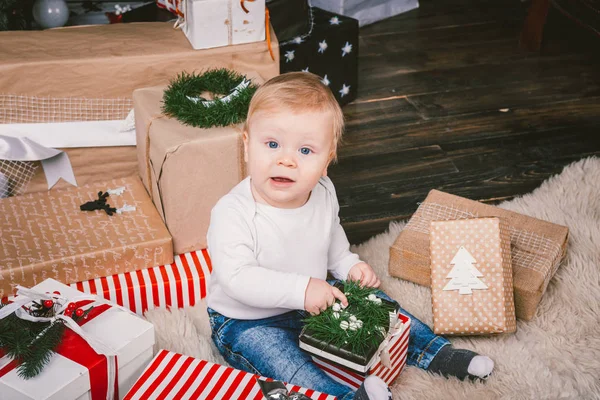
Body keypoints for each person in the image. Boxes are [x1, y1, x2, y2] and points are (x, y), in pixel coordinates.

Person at [206, 72, 494, 400]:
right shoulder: (233, 212)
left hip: (315, 296)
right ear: (246, 147)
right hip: (247, 320)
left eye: (305, 150)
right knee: (284, 364)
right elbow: (237, 278)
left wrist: (348, 266)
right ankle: (345, 396)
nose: (285, 159)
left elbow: (332, 241)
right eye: (271, 144)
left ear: (326, 161)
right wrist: (301, 290)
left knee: (381, 310)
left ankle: (432, 351)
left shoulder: (323, 192)